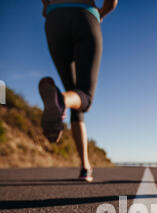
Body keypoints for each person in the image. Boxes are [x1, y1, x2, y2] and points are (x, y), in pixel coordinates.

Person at [39, 0, 118, 182]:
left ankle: (85, 166)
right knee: (85, 97)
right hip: (85, 15)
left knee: (74, 95)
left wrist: (46, 6)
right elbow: (112, 1)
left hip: (54, 19)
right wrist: (102, 13)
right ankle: (60, 101)